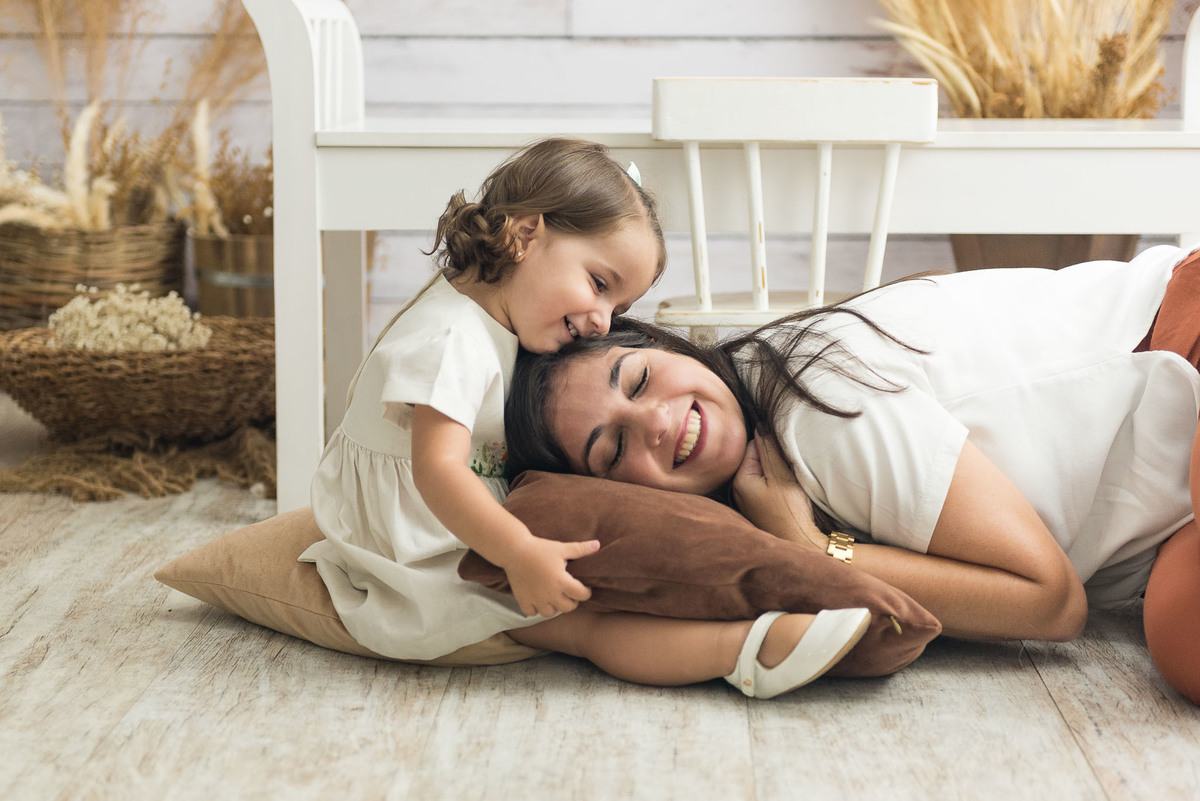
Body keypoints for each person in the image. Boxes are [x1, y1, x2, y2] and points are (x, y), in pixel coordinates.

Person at [502, 244, 1200, 705]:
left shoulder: (814, 406)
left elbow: (1049, 602)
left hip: (1182, 344)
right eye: (614, 449)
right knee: (1184, 635)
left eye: (639, 378)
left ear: (659, 342)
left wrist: (811, 549)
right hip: (1164, 498)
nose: (653, 422)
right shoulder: (749, 481)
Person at [301, 138, 872, 699]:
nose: (603, 323)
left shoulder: (486, 315)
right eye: (599, 284)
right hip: (420, 554)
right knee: (587, 625)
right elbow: (437, 470)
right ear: (525, 235)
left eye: (617, 308)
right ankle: (748, 653)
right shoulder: (451, 338)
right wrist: (517, 552)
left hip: (452, 523)